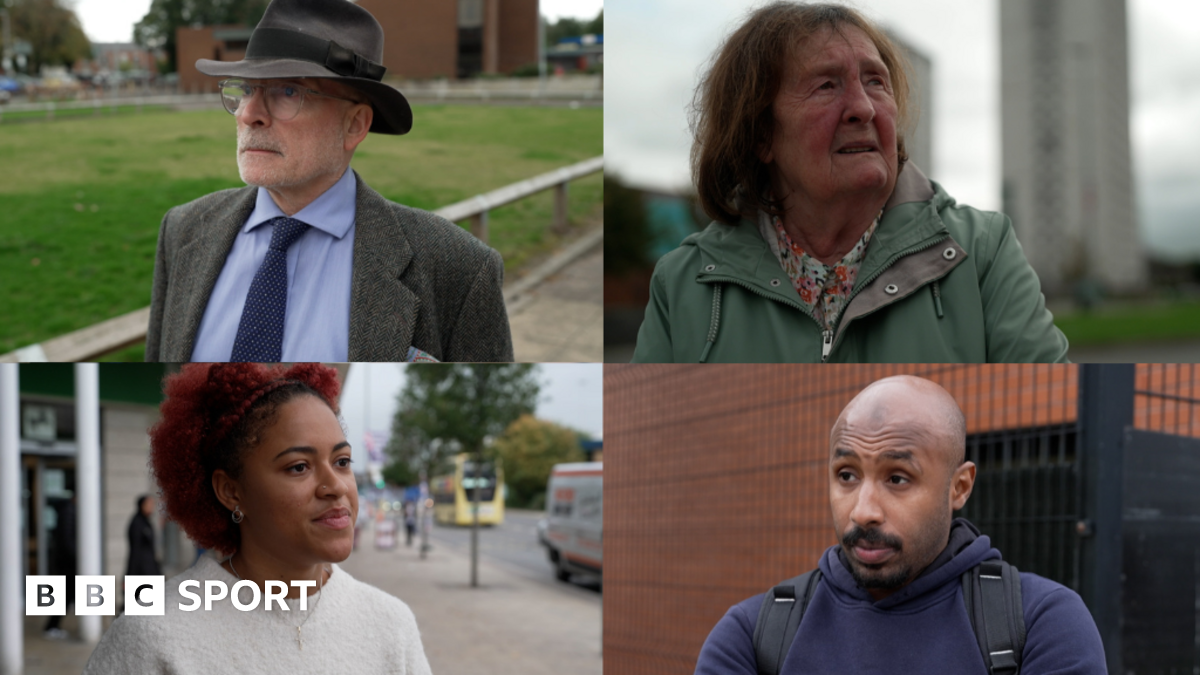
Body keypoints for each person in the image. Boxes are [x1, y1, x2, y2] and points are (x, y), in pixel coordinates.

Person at [633, 2, 1068, 363]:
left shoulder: (981, 251)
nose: (863, 107)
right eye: (827, 86)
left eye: (876, 82)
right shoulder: (684, 282)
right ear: (761, 135)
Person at [144, 0, 512, 363]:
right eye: (245, 89)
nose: (249, 114)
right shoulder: (183, 231)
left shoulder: (458, 270)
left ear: (354, 125)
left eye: (288, 91)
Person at [694, 375, 1105, 674]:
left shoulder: (1041, 623)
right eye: (847, 475)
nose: (863, 511)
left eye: (897, 478)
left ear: (959, 487)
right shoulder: (753, 635)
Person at [84, 363, 431, 674]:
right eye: (299, 467)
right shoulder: (153, 634)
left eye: (342, 462)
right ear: (230, 491)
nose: (335, 487)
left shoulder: (391, 624)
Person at [43, 495, 76, 641]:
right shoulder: (68, 511)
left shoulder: (69, 510)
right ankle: (51, 626)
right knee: (64, 595)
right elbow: (66, 540)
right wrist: (76, 557)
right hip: (66, 563)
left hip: (66, 562)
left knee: (66, 595)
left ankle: (52, 626)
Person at [127, 495, 163, 577]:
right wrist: (130, 574)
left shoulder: (147, 522)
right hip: (141, 571)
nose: (151, 507)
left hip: (150, 568)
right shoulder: (137, 523)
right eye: (149, 505)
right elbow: (135, 550)